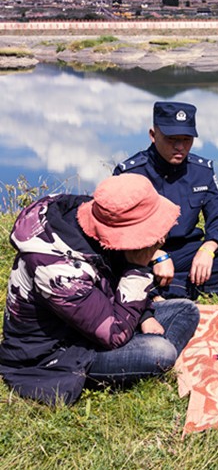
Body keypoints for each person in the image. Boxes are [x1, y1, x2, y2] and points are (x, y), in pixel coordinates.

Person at [0, 174, 200, 405]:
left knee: (186, 310)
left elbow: (116, 262)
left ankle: (147, 361)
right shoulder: (56, 271)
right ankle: (153, 364)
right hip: (57, 351)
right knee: (159, 352)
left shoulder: (93, 218)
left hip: (97, 317)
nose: (161, 238)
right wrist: (138, 268)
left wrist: (145, 315)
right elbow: (114, 334)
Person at [115, 101, 218, 299]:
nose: (180, 147)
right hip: (142, 254)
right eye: (172, 139)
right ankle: (200, 287)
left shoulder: (201, 171)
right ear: (153, 135)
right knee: (116, 264)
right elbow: (115, 228)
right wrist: (155, 255)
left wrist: (208, 248)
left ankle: (165, 288)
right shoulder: (130, 173)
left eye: (186, 139)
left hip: (184, 251)